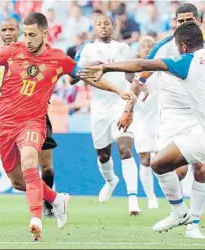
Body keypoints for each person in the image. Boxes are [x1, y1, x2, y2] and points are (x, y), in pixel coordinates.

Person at [0, 12, 135, 241]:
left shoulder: (58, 58)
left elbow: (87, 76)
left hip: (33, 122)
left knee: (30, 163)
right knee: (18, 182)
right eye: (24, 35)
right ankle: (57, 199)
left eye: (32, 35)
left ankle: (36, 218)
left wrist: (117, 91)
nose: (27, 39)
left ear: (44, 34)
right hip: (6, 123)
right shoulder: (12, 51)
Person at [78, 21, 205, 237]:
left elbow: (141, 66)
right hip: (198, 133)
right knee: (160, 162)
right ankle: (182, 214)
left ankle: (181, 213)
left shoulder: (187, 62)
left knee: (160, 164)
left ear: (183, 46)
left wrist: (106, 67)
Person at [0, 18, 58, 218]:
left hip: (36, 116)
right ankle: (52, 199)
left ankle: (49, 204)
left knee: (46, 166)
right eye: (4, 29)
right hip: (10, 118)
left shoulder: (31, 53)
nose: (8, 33)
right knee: (19, 177)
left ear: (20, 31)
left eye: (11, 29)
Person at [75, 14, 141, 216]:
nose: (103, 27)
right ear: (94, 28)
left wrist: (135, 90)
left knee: (125, 150)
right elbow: (76, 74)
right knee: (103, 155)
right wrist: (87, 68)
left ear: (112, 27)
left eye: (107, 24)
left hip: (120, 103)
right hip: (100, 108)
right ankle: (111, 180)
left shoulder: (123, 48)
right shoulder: (87, 49)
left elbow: (131, 75)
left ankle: (133, 200)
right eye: (99, 24)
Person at [133, 36, 159, 209]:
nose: (148, 48)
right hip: (141, 119)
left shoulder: (161, 68)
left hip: (160, 118)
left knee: (161, 158)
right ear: (140, 50)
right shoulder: (134, 72)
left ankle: (173, 195)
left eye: (151, 46)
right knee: (145, 159)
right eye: (145, 46)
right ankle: (151, 198)